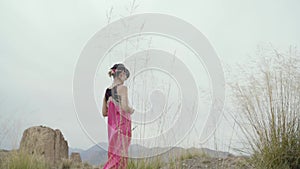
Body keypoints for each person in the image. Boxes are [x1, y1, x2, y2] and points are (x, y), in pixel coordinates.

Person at [102, 63, 134, 169]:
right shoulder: (122, 88)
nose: (125, 79)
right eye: (125, 76)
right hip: (122, 125)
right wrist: (131, 110)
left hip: (112, 129)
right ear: (121, 74)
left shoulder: (107, 92)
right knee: (122, 154)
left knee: (113, 156)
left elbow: (104, 113)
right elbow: (125, 107)